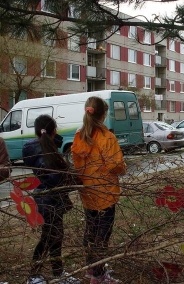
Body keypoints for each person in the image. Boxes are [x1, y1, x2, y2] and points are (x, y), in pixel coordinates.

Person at [71, 96, 126, 284]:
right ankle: (98, 275)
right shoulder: (106, 137)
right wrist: (122, 167)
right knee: (102, 235)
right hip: (105, 193)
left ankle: (91, 269)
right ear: (103, 115)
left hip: (87, 193)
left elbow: (77, 165)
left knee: (91, 231)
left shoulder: (79, 135)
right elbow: (116, 164)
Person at [22, 115, 80, 284]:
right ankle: (35, 275)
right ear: (53, 130)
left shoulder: (37, 147)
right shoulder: (45, 150)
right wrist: (72, 179)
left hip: (46, 199)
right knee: (49, 237)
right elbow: (54, 178)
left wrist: (53, 137)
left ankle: (56, 272)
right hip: (50, 199)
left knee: (54, 236)